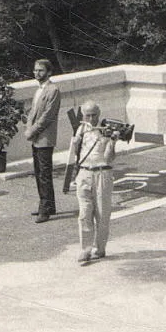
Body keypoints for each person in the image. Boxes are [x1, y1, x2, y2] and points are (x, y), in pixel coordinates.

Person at [66, 101, 118, 265]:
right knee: (84, 213)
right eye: (87, 115)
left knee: (102, 214)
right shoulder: (80, 129)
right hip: (84, 173)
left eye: (93, 115)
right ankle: (85, 249)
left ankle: (99, 248)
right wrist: (75, 143)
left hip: (102, 173)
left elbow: (109, 158)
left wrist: (112, 141)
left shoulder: (106, 130)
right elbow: (77, 155)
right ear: (83, 115)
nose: (90, 118)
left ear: (99, 113)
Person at [23, 59, 62, 222]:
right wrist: (28, 127)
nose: (37, 73)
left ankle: (44, 210)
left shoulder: (53, 90)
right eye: (35, 70)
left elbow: (48, 116)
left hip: (45, 138)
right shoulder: (38, 90)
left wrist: (32, 130)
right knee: (39, 172)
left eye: (40, 70)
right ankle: (48, 205)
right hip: (36, 137)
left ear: (49, 72)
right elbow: (33, 112)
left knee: (44, 173)